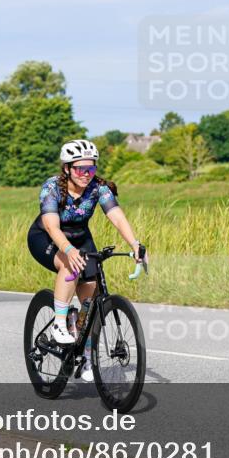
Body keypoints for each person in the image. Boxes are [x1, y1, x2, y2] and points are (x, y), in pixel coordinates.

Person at [26, 139, 147, 381]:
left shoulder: (98, 188)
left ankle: (85, 357)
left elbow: (117, 217)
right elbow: (51, 226)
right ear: (67, 168)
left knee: (90, 301)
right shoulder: (52, 187)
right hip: (46, 237)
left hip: (81, 238)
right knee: (70, 265)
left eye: (91, 168)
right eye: (80, 169)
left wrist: (135, 244)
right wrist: (68, 250)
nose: (86, 174)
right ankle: (60, 323)